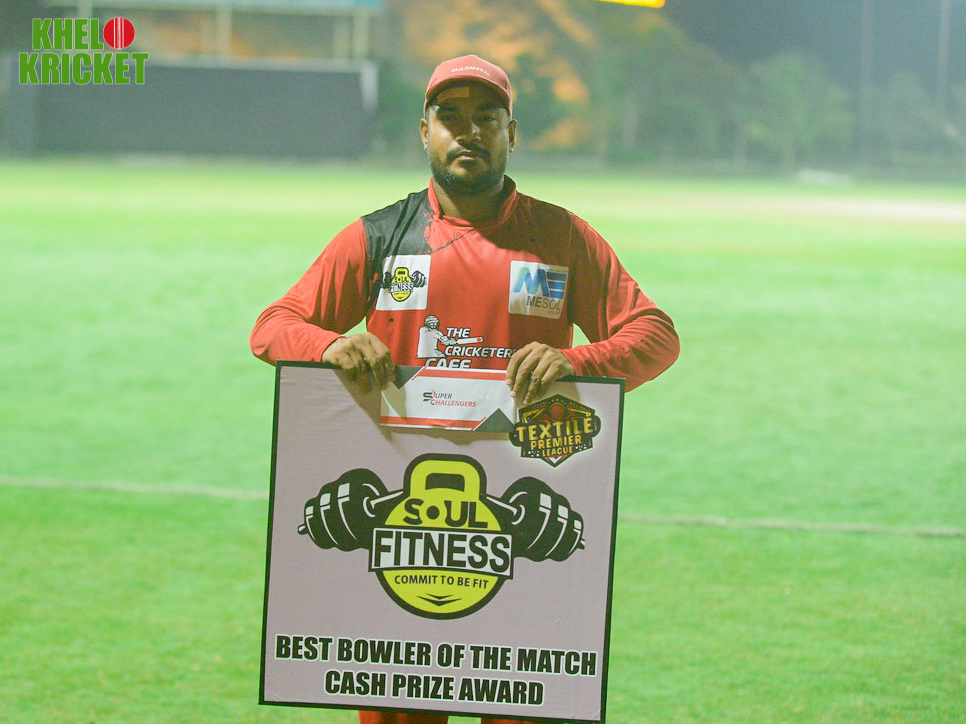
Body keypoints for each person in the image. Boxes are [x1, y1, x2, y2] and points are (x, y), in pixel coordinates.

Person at [251, 54, 680, 724]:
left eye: (487, 117)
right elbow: (274, 326)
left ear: (513, 133)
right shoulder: (378, 237)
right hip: (401, 526)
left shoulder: (560, 236)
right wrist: (328, 345)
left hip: (519, 521)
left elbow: (656, 336)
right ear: (425, 131)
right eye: (450, 117)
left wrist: (578, 363)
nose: (468, 131)